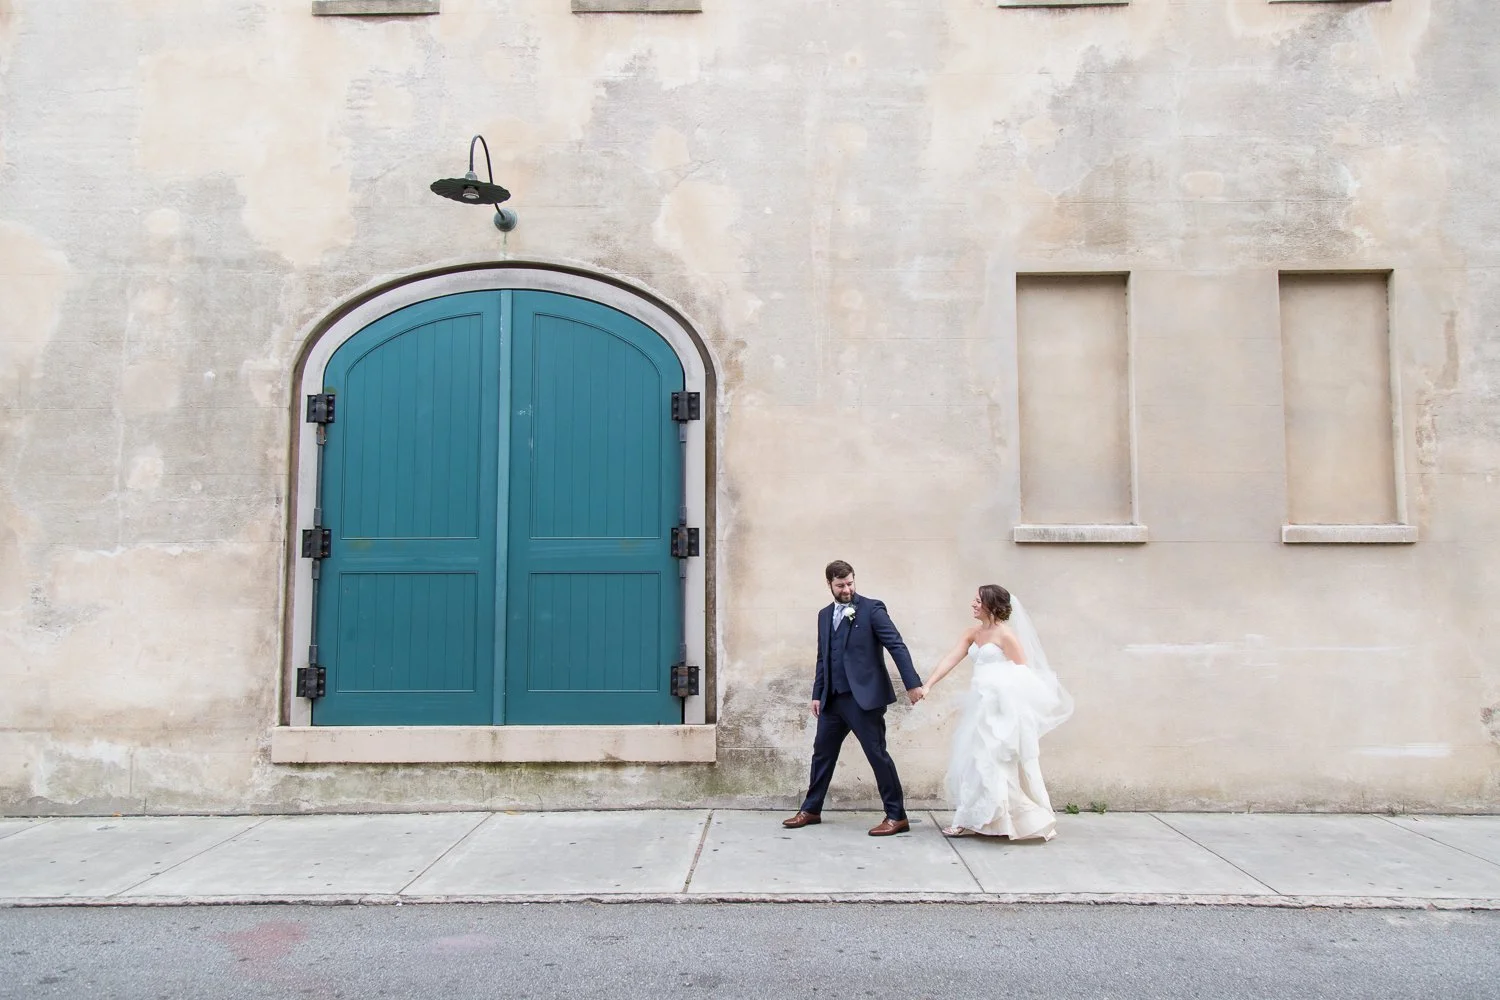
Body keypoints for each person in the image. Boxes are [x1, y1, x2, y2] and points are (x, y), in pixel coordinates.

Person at [916, 584, 1073, 840]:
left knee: (996, 764)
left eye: (978, 600)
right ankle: (968, 818)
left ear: (991, 604)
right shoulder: (971, 634)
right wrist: (928, 685)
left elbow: (1024, 675)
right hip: (978, 707)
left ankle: (1006, 819)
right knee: (974, 762)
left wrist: (1002, 694)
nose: (973, 604)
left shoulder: (1006, 636)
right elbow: (951, 659)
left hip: (1000, 711)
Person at [783, 560, 925, 836]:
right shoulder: (824, 615)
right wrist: (817, 694)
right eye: (840, 585)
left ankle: (897, 816)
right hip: (832, 700)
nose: (847, 589)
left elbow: (896, 644)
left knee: (876, 755)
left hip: (864, 699)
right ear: (829, 585)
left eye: (850, 583)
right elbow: (822, 657)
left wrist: (912, 684)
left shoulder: (872, 609)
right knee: (822, 754)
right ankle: (811, 809)